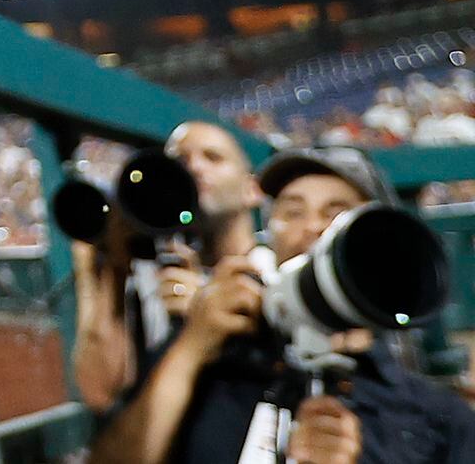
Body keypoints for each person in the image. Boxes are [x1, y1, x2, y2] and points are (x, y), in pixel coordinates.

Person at [90, 147, 475, 464]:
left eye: (336, 213)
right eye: (292, 211)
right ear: (268, 234)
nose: (312, 227)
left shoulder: (439, 420)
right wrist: (190, 348)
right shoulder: (209, 354)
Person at [76, 118, 267, 409]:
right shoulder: (152, 280)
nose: (194, 168)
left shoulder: (277, 271)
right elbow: (100, 394)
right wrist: (112, 270)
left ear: (252, 189)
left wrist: (203, 320)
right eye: (180, 161)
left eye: (213, 157)